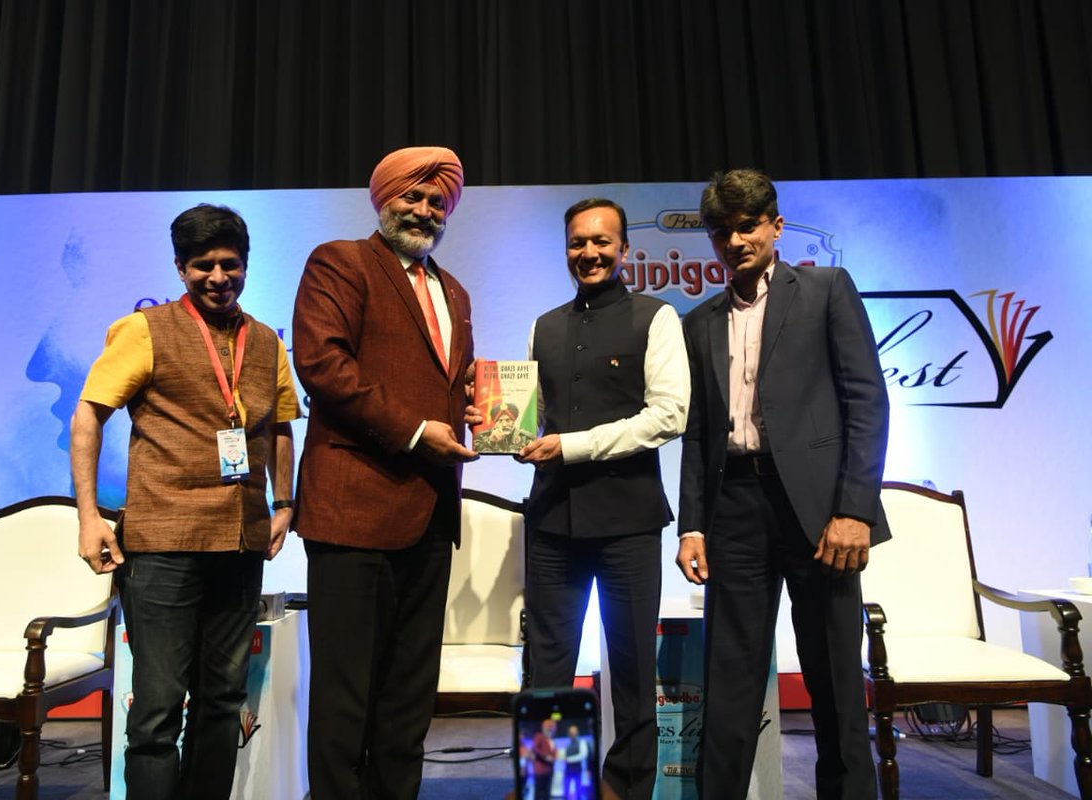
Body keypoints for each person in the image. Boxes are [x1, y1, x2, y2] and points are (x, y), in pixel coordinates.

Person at [70, 204, 299, 799]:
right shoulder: (143, 331)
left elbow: (279, 427)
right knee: (157, 709)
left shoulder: (269, 342)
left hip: (241, 543)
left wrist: (286, 503)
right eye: (203, 266)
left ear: (246, 266)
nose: (218, 277)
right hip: (163, 546)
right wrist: (89, 516)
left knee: (223, 701)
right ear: (179, 268)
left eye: (230, 265)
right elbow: (89, 415)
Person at [676, 169, 890, 799]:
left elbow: (866, 402)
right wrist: (692, 523)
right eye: (722, 232)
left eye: (747, 226)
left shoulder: (825, 290)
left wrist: (855, 510)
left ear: (775, 224)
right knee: (730, 680)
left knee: (834, 683)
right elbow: (695, 433)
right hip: (735, 508)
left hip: (821, 512)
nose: (736, 241)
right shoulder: (700, 321)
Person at [291, 146, 476, 799]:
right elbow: (324, 367)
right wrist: (422, 431)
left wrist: (476, 407)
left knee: (406, 703)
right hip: (355, 514)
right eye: (413, 196)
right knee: (345, 703)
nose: (425, 210)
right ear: (383, 199)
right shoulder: (340, 262)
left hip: (430, 515)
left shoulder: (454, 291)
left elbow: (445, 387)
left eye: (437, 201)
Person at [515, 197, 689, 799]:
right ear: (566, 249)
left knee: (636, 670)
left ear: (624, 250)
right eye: (576, 243)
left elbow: (669, 416)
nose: (588, 253)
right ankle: (555, 785)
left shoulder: (657, 317)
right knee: (548, 669)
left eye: (601, 242)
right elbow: (532, 421)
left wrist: (572, 446)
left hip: (628, 521)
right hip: (550, 521)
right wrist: (498, 424)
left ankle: (626, 787)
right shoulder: (544, 324)